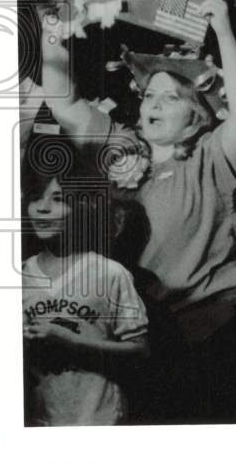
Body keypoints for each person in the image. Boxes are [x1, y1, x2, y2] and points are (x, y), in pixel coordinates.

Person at [39, 0, 236, 421]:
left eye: (170, 97)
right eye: (148, 95)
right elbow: (63, 102)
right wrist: (53, 34)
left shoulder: (209, 158)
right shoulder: (120, 146)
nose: (153, 103)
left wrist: (221, 27)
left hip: (208, 338)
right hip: (132, 336)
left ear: (196, 116)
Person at [22, 151, 149, 426]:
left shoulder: (109, 273)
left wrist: (72, 342)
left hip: (98, 420)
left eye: (58, 199)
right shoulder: (18, 275)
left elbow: (140, 350)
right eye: (35, 198)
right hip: (39, 423)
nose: (42, 208)